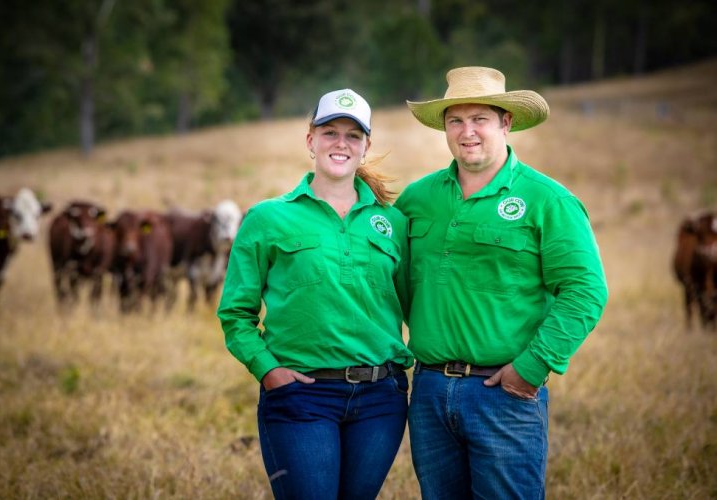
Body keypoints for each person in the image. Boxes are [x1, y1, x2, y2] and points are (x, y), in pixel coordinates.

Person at [395, 66, 608, 499]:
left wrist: (530, 369)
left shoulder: (547, 201)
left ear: (506, 122)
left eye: (480, 120)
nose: (467, 132)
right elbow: (393, 282)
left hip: (503, 393)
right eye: (455, 120)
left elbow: (586, 291)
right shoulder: (417, 199)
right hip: (430, 391)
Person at [217, 88, 413, 499]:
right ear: (310, 140)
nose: (340, 143)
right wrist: (269, 372)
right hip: (301, 396)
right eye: (330, 132)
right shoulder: (268, 218)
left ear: (365, 147)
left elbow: (415, 303)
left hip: (380, 399)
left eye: (353, 135)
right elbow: (235, 313)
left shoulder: (391, 222)